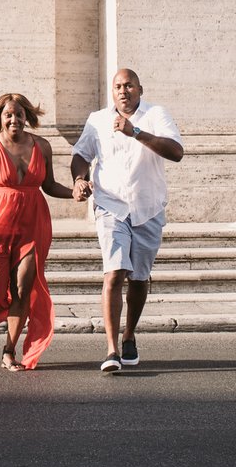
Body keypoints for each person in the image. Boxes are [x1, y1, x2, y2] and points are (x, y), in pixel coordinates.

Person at [0, 92, 78, 371]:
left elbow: (49, 186)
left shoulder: (42, 146)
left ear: (26, 116)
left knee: (22, 289)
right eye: (8, 115)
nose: (14, 120)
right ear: (0, 117)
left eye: (19, 114)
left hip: (33, 227)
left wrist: (75, 193)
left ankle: (9, 352)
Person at [71, 68, 183, 374]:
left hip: (148, 207)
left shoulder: (156, 115)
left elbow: (176, 152)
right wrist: (79, 180)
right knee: (114, 271)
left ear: (140, 89)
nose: (123, 91)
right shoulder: (97, 120)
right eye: (118, 86)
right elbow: (81, 155)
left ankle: (129, 334)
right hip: (110, 205)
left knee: (139, 278)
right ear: (112, 92)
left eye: (129, 86)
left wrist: (136, 132)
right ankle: (112, 349)